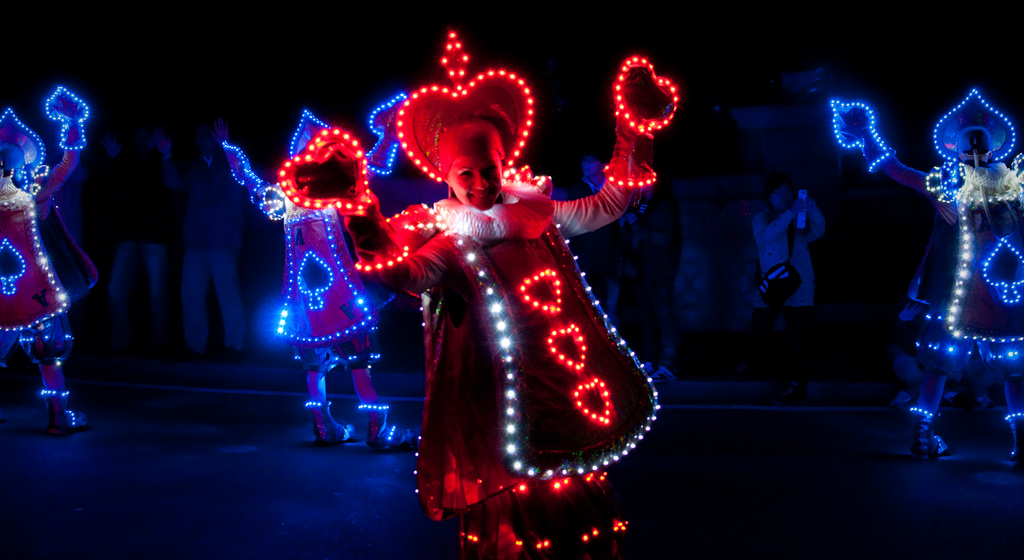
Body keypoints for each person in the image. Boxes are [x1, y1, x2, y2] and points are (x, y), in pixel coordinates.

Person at [345, 34, 667, 558]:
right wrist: (358, 210)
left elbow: (610, 203)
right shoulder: (448, 241)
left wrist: (635, 131)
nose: (478, 183)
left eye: (488, 170)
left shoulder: (538, 216)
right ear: (446, 176)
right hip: (498, 409)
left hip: (566, 391)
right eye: (464, 174)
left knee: (575, 520)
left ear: (503, 163)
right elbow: (403, 274)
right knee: (514, 533)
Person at [833, 90, 1024, 462]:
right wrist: (867, 136)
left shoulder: (1003, 185)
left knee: (962, 365)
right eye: (970, 148)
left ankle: (931, 436)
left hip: (975, 294)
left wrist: (867, 137)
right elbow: (899, 171)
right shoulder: (963, 184)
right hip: (981, 295)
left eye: (979, 148)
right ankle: (1008, 440)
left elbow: (898, 171)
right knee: (985, 368)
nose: (974, 155)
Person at [220, 107, 414, 448]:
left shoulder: (286, 197)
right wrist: (389, 135)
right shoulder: (330, 191)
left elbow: (254, 186)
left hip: (304, 301)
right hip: (340, 299)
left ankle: (324, 426)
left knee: (315, 367)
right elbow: (368, 166)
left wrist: (238, 162)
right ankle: (374, 429)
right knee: (357, 364)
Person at [0, 87, 95, 434]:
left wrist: (73, 124)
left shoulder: (31, 194)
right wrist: (72, 124)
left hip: (4, 294)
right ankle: (58, 417)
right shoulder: (33, 196)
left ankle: (58, 416)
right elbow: (69, 165)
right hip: (37, 294)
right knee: (50, 352)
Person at [155, 120, 246, 359]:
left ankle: (235, 346)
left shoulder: (229, 162)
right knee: (191, 294)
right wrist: (166, 155)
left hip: (224, 240)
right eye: (197, 137)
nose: (199, 141)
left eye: (204, 136)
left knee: (228, 293)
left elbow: (244, 173)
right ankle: (195, 345)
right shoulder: (193, 166)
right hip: (196, 241)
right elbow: (174, 183)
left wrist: (226, 145)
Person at [750, 172, 824, 404]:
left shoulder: (797, 218)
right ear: (769, 196)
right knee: (759, 329)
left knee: (797, 337)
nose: (784, 195)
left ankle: (796, 385)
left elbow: (818, 232)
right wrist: (790, 212)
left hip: (800, 284)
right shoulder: (762, 218)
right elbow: (767, 237)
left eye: (787, 190)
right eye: (778, 191)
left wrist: (810, 210)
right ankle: (753, 367)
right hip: (773, 284)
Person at [99, 127, 172, 354]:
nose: (141, 141)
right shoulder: (126, 162)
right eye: (138, 136)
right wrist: (112, 159)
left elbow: (173, 187)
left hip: (155, 238)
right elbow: (111, 188)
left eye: (146, 136)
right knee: (115, 291)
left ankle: (161, 341)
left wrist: (163, 155)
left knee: (158, 293)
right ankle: (122, 341)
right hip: (128, 238)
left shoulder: (161, 161)